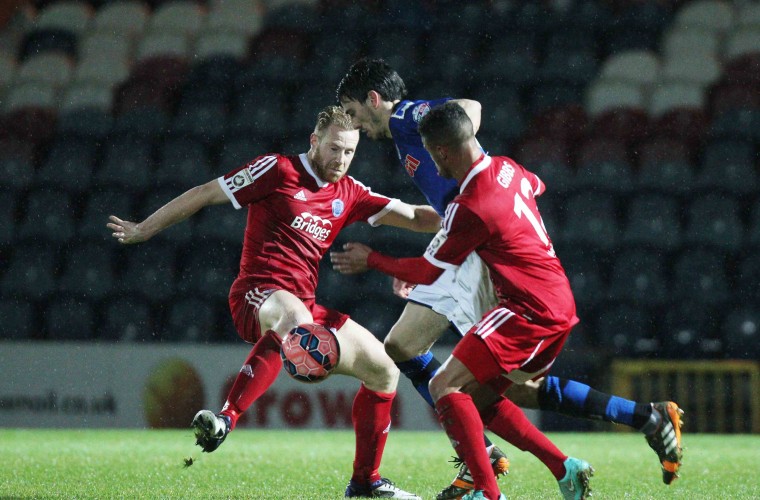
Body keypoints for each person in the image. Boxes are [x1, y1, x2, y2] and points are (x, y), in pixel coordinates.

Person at [334, 59, 684, 498]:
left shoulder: (406, 117)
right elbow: (444, 215)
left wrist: (400, 253)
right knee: (406, 348)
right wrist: (401, 221)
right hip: (461, 239)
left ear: (373, 100)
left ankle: (616, 429)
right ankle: (487, 452)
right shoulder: (441, 161)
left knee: (506, 386)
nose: (355, 125)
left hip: (475, 254)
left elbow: (469, 108)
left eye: (353, 110)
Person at [107, 106, 441, 499]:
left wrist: (469, 212)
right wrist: (145, 228)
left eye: (349, 152)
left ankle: (365, 482)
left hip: (303, 308)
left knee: (384, 369)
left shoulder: (349, 192)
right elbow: (206, 193)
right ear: (314, 142)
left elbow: (418, 217)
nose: (341, 160)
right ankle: (225, 419)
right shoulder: (277, 170)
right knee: (294, 317)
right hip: (256, 294)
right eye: (334, 149)